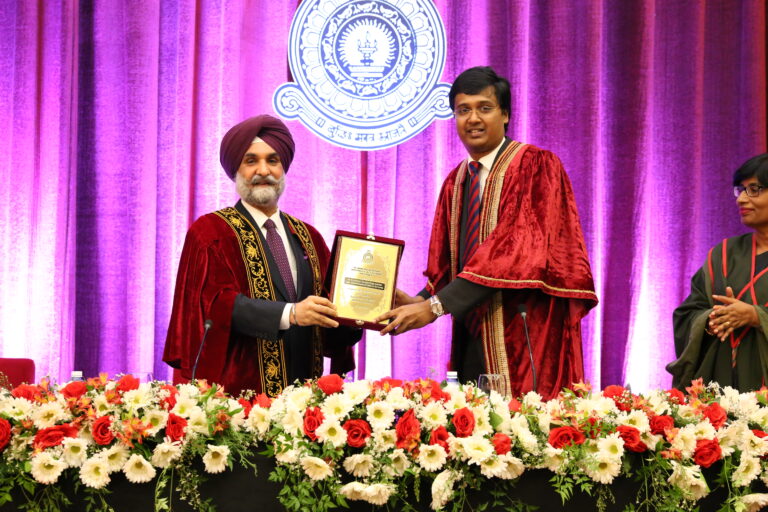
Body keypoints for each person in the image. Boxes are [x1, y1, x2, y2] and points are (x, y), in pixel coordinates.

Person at [375, 66, 597, 400]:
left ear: (505, 114)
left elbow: (514, 251)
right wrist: (420, 300)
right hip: (471, 332)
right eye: (463, 110)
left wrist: (435, 306)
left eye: (485, 108)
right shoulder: (456, 181)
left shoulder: (535, 166)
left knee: (527, 424)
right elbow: (449, 264)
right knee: (475, 423)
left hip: (524, 333)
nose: (473, 119)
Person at [163, 115, 360, 397]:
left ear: (283, 169)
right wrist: (291, 314)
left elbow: (332, 311)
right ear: (236, 170)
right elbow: (214, 305)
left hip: (306, 401)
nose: (263, 170)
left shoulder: (309, 237)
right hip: (237, 403)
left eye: (273, 160)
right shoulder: (210, 232)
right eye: (251, 160)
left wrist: (364, 309)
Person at [668, 153, 768, 392]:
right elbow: (687, 314)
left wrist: (757, 317)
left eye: (754, 189)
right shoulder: (724, 254)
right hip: (720, 393)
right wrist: (710, 321)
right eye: (740, 189)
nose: (741, 199)